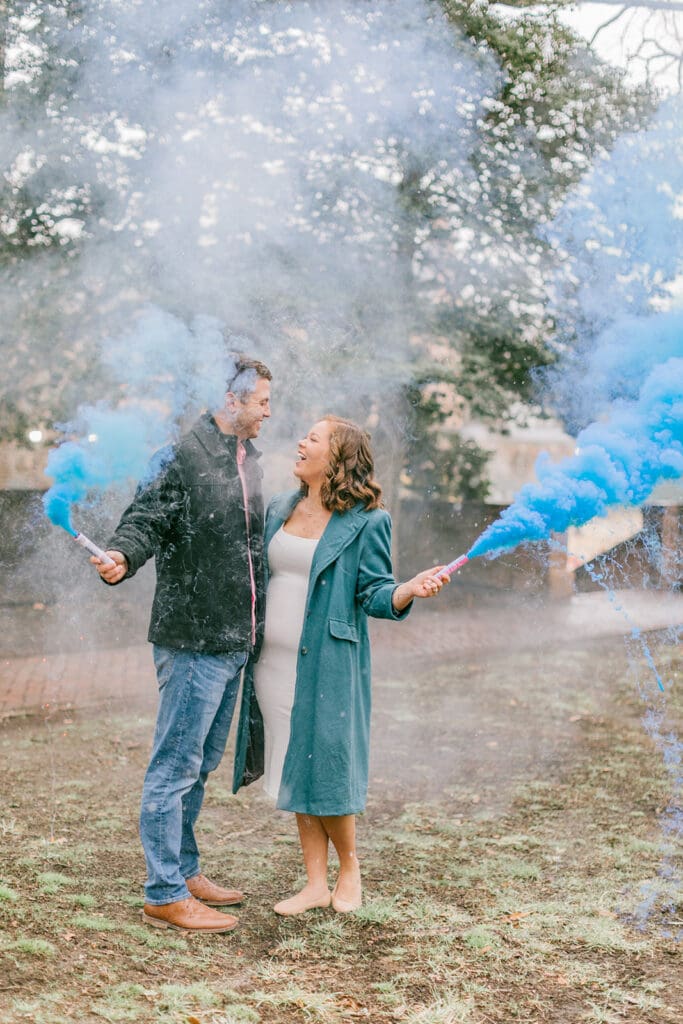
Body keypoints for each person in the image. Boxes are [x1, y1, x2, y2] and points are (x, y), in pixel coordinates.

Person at [233, 415, 448, 915]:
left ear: (338, 457)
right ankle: (313, 883)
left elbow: (373, 592)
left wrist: (405, 591)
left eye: (314, 438)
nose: (301, 442)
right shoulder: (280, 508)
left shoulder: (368, 520)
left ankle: (349, 869)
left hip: (329, 663)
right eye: (304, 434)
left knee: (326, 766)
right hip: (273, 662)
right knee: (293, 765)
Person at [93, 353, 272, 934]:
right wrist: (123, 554)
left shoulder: (249, 459)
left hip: (232, 641)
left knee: (199, 766)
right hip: (191, 640)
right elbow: (144, 519)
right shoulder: (178, 457)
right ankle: (163, 891)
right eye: (262, 401)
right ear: (232, 402)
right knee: (174, 767)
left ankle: (186, 870)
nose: (269, 411)